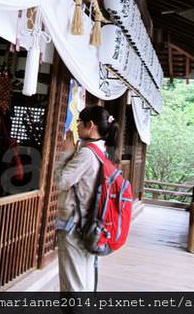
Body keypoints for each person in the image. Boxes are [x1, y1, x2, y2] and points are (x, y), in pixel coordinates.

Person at [55, 105, 119, 292]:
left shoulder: (86, 153)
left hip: (74, 225)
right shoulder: (102, 151)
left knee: (73, 284)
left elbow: (61, 181)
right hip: (89, 223)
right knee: (84, 277)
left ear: (90, 125)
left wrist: (66, 152)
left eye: (79, 123)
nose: (76, 127)